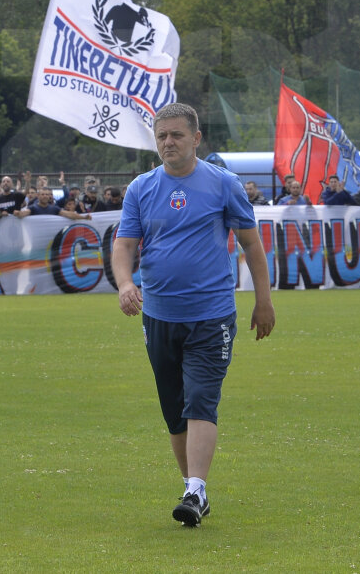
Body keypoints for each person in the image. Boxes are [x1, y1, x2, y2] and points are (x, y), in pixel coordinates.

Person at [112, 102, 274, 528]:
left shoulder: (224, 184)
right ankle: (192, 489)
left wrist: (263, 299)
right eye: (162, 135)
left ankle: (196, 487)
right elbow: (125, 245)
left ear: (196, 138)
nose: (168, 142)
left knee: (201, 399)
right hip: (160, 317)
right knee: (174, 410)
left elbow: (251, 244)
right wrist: (126, 284)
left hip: (212, 315)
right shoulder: (141, 189)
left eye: (176, 135)